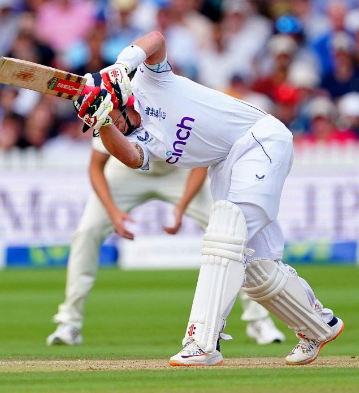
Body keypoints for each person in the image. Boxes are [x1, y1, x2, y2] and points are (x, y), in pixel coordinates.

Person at [74, 31, 343, 366]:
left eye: (109, 115)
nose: (112, 125)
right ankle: (319, 325)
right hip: (224, 165)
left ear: (121, 97)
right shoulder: (139, 137)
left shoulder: (149, 80)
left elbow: (157, 38)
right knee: (256, 268)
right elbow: (129, 157)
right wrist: (100, 124)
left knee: (224, 238)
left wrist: (121, 65)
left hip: (258, 140)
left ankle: (202, 341)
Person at [46, 107, 285, 347]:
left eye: (118, 119)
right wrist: (113, 213)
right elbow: (96, 167)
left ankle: (259, 320)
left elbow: (200, 164)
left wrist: (181, 207)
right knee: (86, 232)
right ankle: (69, 323)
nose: (114, 125)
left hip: (178, 171)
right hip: (126, 171)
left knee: (232, 233)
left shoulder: (173, 108)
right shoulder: (108, 115)